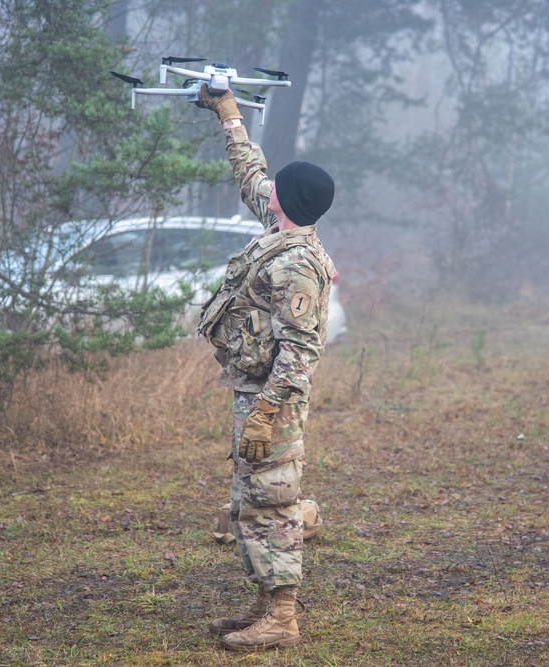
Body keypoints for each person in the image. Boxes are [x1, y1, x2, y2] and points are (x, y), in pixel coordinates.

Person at [195, 84, 336, 652]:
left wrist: (267, 414)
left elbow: (300, 353)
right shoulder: (280, 228)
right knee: (250, 503)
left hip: (272, 401)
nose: (268, 186)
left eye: (280, 185)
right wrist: (228, 114)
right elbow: (252, 174)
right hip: (251, 392)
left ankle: (282, 616)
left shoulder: (300, 264)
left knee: (273, 502)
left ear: (291, 201)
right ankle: (262, 605)